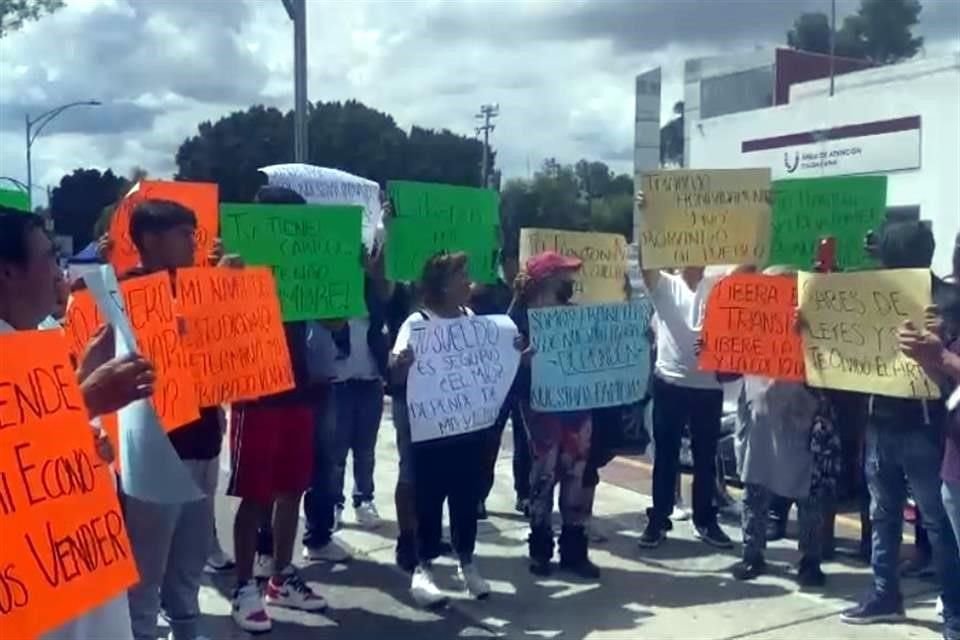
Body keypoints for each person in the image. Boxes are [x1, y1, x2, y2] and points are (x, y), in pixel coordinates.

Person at [0, 209, 153, 640]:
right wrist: (84, 401)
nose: (59, 273)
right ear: (9, 271)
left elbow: (39, 452)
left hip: (79, 583)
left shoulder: (41, 339)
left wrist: (83, 429)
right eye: (49, 257)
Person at [840, 222, 960, 640]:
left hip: (927, 430)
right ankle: (884, 593)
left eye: (885, 257)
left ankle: (953, 612)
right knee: (883, 513)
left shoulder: (949, 301)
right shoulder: (871, 297)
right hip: (880, 422)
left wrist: (940, 341)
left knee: (938, 522)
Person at [229, 186, 327, 633]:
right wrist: (223, 277)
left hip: (298, 389)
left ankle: (280, 577)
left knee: (293, 488)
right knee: (256, 494)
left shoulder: (303, 266)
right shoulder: (237, 266)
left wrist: (343, 279)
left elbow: (335, 319)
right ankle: (244, 585)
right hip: (255, 392)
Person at [389, 251, 493, 606]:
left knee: (466, 497)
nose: (468, 281)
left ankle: (467, 563)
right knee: (428, 498)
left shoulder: (471, 319)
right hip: (427, 432)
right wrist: (402, 363)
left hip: (465, 428)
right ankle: (424, 568)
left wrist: (513, 355)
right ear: (442, 286)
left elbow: (487, 363)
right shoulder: (416, 323)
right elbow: (396, 371)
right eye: (460, 275)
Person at [634, 191, 734, 550]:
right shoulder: (665, 285)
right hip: (670, 384)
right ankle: (658, 519)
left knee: (707, 459)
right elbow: (645, 263)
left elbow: (751, 266)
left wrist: (758, 217)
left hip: (708, 386)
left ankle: (705, 520)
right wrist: (647, 215)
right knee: (666, 456)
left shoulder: (719, 285)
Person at [730, 267, 842, 587]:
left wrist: (804, 333)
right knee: (754, 489)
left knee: (808, 496)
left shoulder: (814, 326)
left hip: (799, 419)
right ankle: (752, 554)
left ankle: (810, 560)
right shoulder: (750, 324)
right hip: (760, 418)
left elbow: (830, 369)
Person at [510, 251, 600, 578]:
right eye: (564, 276)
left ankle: (575, 551)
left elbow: (601, 357)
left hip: (577, 410)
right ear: (546, 282)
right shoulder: (517, 320)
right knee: (543, 479)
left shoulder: (576, 317)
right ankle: (540, 549)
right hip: (540, 410)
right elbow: (504, 366)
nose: (571, 283)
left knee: (577, 479)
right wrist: (521, 360)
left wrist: (636, 343)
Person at [327, 244, 392, 530]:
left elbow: (386, 288)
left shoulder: (372, 297)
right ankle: (334, 503)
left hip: (369, 382)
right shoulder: (327, 296)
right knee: (336, 451)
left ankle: (364, 499)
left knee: (365, 450)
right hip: (337, 384)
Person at [472, 251, 531, 517]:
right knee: (488, 437)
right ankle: (478, 495)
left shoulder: (533, 294)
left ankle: (525, 494)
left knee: (526, 437)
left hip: (524, 377)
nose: (514, 266)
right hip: (494, 379)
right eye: (510, 261)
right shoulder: (487, 292)